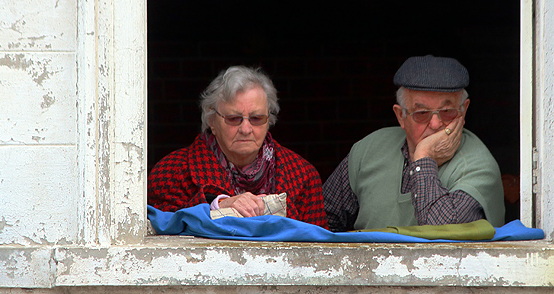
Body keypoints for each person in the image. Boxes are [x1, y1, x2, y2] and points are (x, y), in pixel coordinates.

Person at [323, 55, 505, 232]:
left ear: (463, 111)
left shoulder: (478, 166)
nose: (435, 124)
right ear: (400, 116)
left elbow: (443, 236)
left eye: (447, 111)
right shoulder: (368, 150)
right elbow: (320, 221)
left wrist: (423, 157)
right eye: (422, 113)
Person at [148, 65, 328, 227]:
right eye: (234, 119)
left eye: (257, 118)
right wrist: (217, 206)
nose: (246, 129)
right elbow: (157, 232)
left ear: (269, 120)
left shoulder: (303, 175)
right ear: (212, 120)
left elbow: (321, 250)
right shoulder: (171, 171)